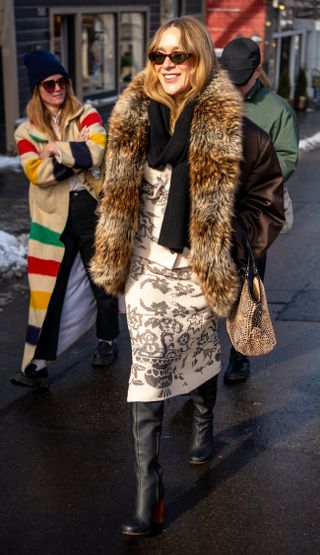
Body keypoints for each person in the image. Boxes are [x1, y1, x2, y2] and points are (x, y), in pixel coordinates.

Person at [90, 16, 284, 535]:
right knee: (147, 371)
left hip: (199, 274)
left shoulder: (238, 131)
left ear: (200, 60)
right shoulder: (129, 122)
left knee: (200, 354)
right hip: (144, 272)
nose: (168, 65)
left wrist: (231, 240)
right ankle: (147, 493)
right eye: (159, 56)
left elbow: (268, 201)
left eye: (180, 56)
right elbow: (117, 192)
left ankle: (203, 416)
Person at [10, 50, 119, 390]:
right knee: (47, 291)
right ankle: (37, 364)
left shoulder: (86, 113)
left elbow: (98, 150)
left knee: (102, 282)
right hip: (50, 219)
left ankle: (107, 341)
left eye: (62, 82)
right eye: (49, 84)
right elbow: (37, 173)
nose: (57, 88)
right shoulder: (25, 131)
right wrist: (76, 153)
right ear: (37, 90)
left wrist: (56, 149)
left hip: (90, 210)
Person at [220, 37, 299, 384]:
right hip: (214, 210)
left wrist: (252, 172)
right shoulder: (212, 99)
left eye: (242, 79)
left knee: (249, 282)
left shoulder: (276, 109)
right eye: (229, 78)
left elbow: (287, 157)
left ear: (258, 71)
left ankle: (241, 354)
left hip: (253, 211)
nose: (235, 87)